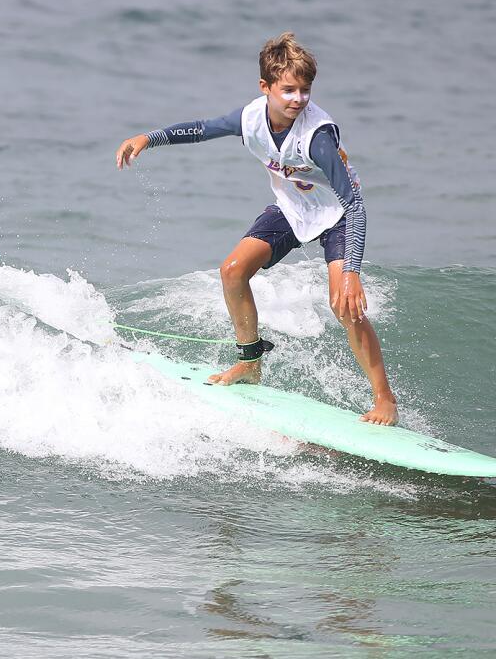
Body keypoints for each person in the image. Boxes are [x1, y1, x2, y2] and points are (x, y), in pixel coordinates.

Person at [114, 32, 397, 425]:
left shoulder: (317, 138)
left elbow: (355, 204)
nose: (298, 99)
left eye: (305, 90)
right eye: (288, 90)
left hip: (336, 215)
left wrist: (351, 272)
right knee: (232, 271)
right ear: (265, 88)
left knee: (344, 306)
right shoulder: (250, 119)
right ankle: (249, 363)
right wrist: (149, 137)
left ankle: (385, 400)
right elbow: (201, 128)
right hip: (292, 208)